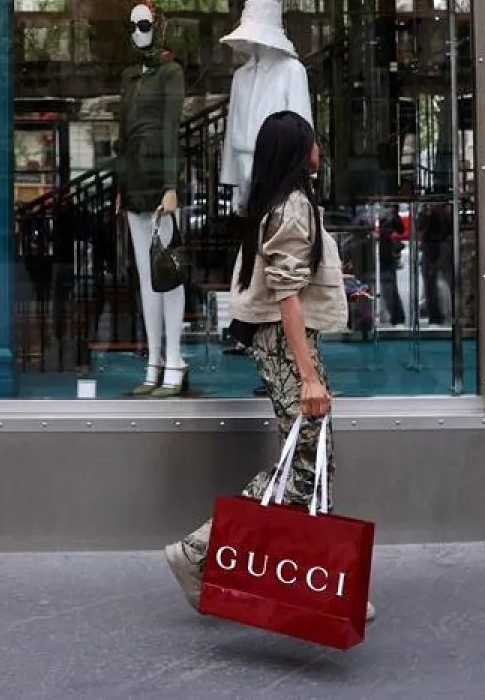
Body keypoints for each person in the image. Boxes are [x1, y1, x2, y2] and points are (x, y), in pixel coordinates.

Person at [162, 110, 376, 623]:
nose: (319, 147)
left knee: (312, 462)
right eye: (313, 140)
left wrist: (335, 284)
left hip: (285, 341)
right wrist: (307, 375)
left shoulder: (277, 204)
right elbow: (284, 292)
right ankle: (197, 551)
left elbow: (288, 281)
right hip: (286, 346)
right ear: (299, 150)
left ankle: (320, 586)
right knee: (306, 463)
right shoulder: (293, 206)